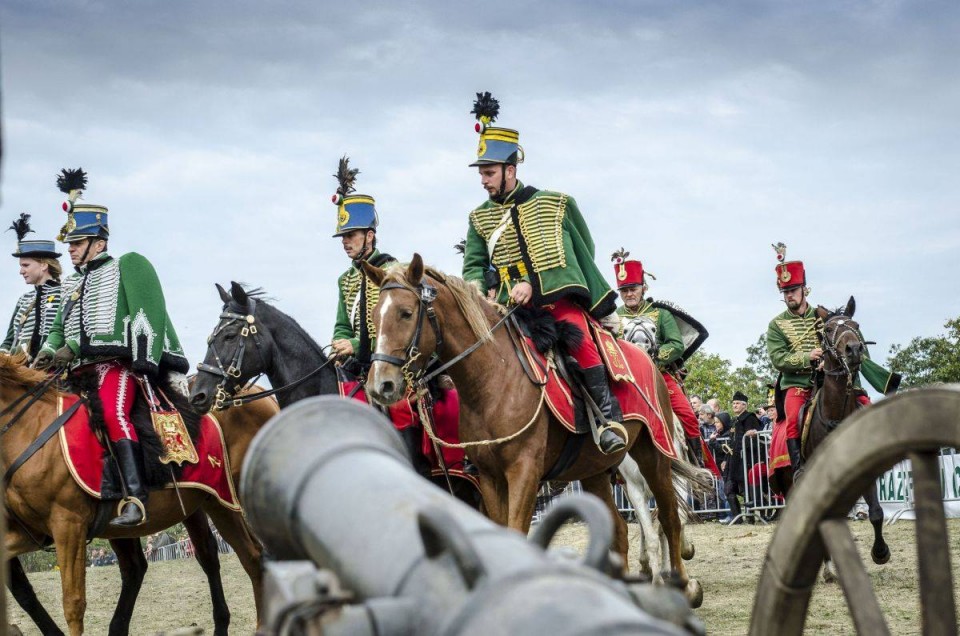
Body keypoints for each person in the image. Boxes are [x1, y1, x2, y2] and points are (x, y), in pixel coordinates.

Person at [460, 92, 624, 454]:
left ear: (510, 170)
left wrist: (534, 285)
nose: (483, 181)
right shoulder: (478, 218)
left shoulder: (555, 203)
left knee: (580, 340)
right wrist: (478, 292)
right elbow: (472, 264)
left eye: (489, 173)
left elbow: (581, 251)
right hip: (505, 309)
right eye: (482, 174)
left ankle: (607, 418)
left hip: (554, 302)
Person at [35, 169, 189, 528]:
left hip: (116, 367)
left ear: (99, 243)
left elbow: (140, 320)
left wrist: (74, 346)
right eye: (70, 244)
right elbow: (59, 328)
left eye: (77, 243)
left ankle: (135, 497)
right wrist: (48, 350)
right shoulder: (72, 283)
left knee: (114, 412)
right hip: (75, 372)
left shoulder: (124, 268)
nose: (70, 250)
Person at [765, 243, 900, 483]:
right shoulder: (776, 325)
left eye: (794, 290)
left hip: (827, 378)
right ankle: (798, 467)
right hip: (796, 382)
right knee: (794, 416)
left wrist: (827, 359)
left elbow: (843, 340)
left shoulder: (823, 316)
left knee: (863, 404)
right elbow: (778, 358)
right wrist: (807, 357)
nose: (790, 296)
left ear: (805, 289)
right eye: (786, 292)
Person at [611, 250, 709, 461]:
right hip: (627, 379)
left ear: (643, 288)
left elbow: (676, 344)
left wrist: (653, 359)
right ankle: (609, 468)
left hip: (660, 376)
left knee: (688, 416)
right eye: (624, 290)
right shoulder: (614, 317)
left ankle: (697, 462)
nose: (629, 294)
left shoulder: (661, 313)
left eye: (633, 289)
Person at [330, 156, 396, 365]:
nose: (345, 242)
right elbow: (342, 326)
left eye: (351, 235)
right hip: (355, 362)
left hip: (388, 361)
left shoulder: (393, 271)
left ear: (369, 236)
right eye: (343, 237)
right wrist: (340, 345)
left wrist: (356, 346)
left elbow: (397, 328)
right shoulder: (345, 279)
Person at [2, 214, 63, 361]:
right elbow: (9, 339)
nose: (21, 271)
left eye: (26, 265)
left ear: (43, 265)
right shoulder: (24, 299)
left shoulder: (64, 293)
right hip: (18, 368)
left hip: (50, 366)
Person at [722, 391, 761, 524]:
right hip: (733, 461)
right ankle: (737, 518)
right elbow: (732, 442)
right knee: (728, 489)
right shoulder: (734, 421)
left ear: (745, 405)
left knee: (746, 490)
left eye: (738, 403)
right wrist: (725, 460)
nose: (735, 405)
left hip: (746, 461)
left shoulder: (750, 418)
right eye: (733, 403)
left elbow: (756, 440)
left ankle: (750, 518)